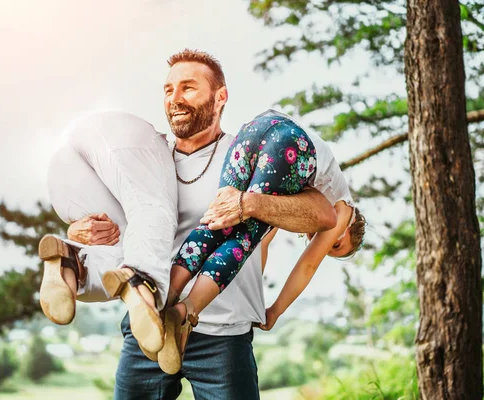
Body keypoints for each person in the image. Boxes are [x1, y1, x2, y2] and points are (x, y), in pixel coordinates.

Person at [41, 49, 337, 399]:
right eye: (168, 90)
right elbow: (114, 225)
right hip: (147, 329)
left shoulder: (247, 154)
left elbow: (322, 213)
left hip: (223, 338)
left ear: (220, 97)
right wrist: (81, 232)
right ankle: (74, 266)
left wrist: (251, 203)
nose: (174, 99)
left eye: (188, 88)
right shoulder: (143, 158)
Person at [158, 109, 366, 374]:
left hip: (256, 129)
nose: (324, 244)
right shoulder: (344, 210)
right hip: (291, 145)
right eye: (336, 244)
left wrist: (258, 298)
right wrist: (275, 311)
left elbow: (262, 244)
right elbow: (307, 266)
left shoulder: (294, 192)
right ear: (349, 228)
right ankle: (186, 310)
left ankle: (167, 296)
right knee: (242, 235)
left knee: (220, 216)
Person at [38, 109, 178, 354]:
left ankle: (71, 261)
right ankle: (141, 283)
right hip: (118, 139)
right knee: (153, 210)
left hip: (62, 169)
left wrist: (73, 234)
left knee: (120, 251)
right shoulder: (177, 154)